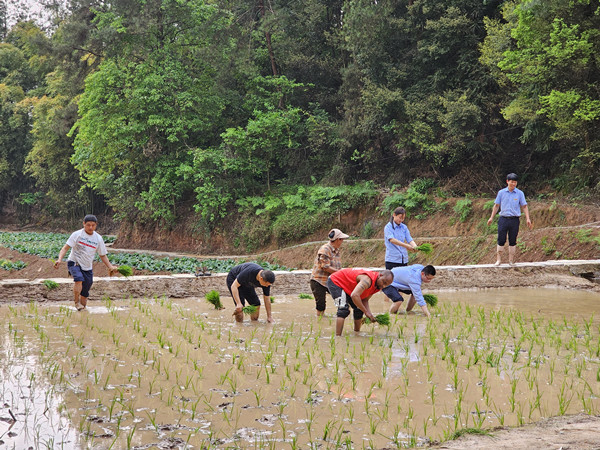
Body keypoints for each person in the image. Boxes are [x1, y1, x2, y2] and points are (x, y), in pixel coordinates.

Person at [54, 214, 117, 311]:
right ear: (83, 224)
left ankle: (82, 309)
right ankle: (76, 302)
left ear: (96, 225)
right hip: (74, 262)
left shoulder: (98, 239)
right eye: (88, 225)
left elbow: (102, 255)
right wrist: (59, 259)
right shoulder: (77, 234)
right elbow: (65, 248)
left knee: (86, 288)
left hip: (87, 266)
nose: (91, 227)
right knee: (79, 279)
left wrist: (110, 266)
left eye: (93, 225)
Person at [327, 268, 394, 336]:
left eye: (386, 285)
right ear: (380, 275)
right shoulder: (367, 280)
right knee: (343, 309)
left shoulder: (377, 286)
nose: (383, 286)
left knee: (359, 310)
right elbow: (354, 295)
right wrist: (366, 312)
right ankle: (338, 338)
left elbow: (364, 300)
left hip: (350, 287)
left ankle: (356, 333)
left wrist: (369, 314)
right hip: (336, 281)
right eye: (384, 282)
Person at [487, 173, 533, 265]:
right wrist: (491, 217)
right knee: (501, 239)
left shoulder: (520, 193)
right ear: (507, 181)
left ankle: (511, 260)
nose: (513, 184)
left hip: (514, 220)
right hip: (503, 219)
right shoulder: (501, 193)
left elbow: (524, 206)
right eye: (512, 182)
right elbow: (496, 206)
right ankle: (498, 260)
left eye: (515, 182)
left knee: (513, 240)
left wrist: (528, 218)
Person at [309, 228, 349, 317]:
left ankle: (341, 316)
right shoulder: (325, 249)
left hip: (331, 280)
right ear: (338, 240)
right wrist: (340, 273)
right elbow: (325, 267)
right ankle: (320, 321)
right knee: (321, 305)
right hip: (319, 281)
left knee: (342, 298)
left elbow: (336, 267)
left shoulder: (336, 250)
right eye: (342, 239)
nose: (342, 242)